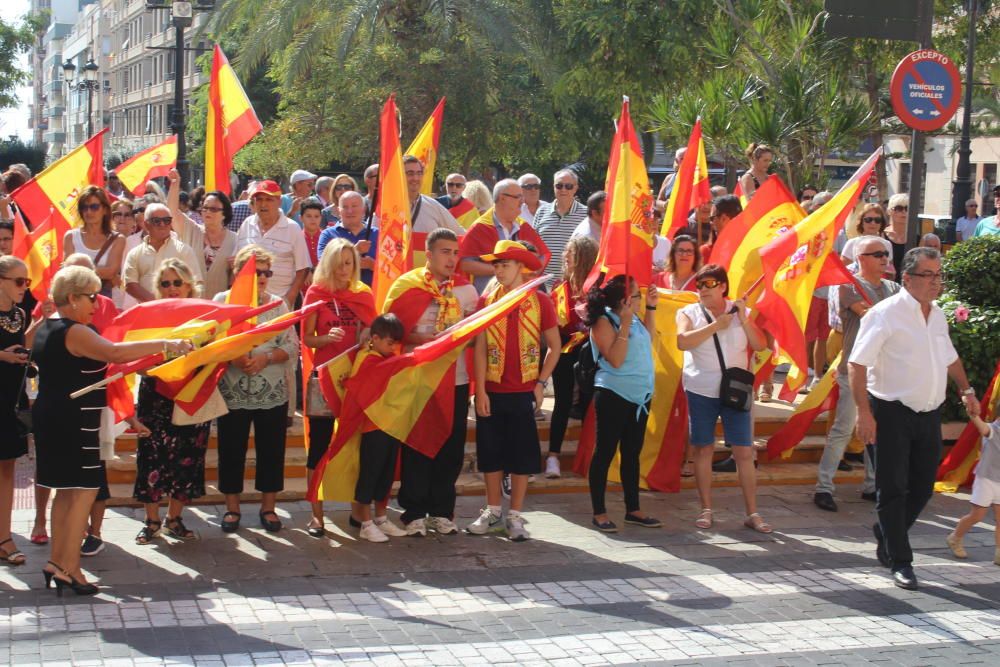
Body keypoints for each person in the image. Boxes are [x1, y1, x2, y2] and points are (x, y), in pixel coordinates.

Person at [34, 265, 190, 595]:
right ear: (73, 298)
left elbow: (112, 362)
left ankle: (56, 561)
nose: (96, 303)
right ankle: (71, 568)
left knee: (65, 492)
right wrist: (168, 343)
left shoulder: (48, 327)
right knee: (84, 492)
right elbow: (114, 352)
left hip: (52, 417)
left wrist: (156, 353)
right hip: (74, 420)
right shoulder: (75, 330)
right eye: (91, 297)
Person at [850, 247, 980, 590]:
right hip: (889, 412)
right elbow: (857, 364)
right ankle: (900, 560)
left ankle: (887, 532)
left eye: (939, 276)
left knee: (923, 485)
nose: (936, 282)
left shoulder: (936, 315)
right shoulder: (884, 314)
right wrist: (864, 413)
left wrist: (967, 392)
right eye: (929, 275)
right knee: (892, 488)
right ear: (907, 279)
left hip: (928, 413)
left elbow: (949, 358)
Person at [383, 228, 478, 535]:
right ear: (430, 253)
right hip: (418, 377)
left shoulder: (467, 291)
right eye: (445, 252)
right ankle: (414, 511)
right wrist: (420, 339)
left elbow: (476, 335)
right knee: (417, 444)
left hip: (456, 378)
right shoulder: (406, 285)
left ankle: (442, 510)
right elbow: (391, 332)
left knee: (451, 446)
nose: (452, 258)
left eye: (455, 252)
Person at [468, 240, 560, 541]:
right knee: (490, 454)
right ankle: (493, 510)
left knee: (522, 456)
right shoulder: (487, 299)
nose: (499, 270)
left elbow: (555, 347)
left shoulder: (540, 300)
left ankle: (516, 515)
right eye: (496, 265)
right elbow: (480, 347)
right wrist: (479, 389)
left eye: (504, 264)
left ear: (520, 267)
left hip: (523, 390)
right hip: (492, 389)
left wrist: (541, 383)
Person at [677, 264, 770, 533]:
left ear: (722, 286)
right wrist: (717, 326)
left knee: (743, 451)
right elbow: (682, 341)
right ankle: (706, 509)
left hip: (735, 391)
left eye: (708, 284)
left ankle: (752, 512)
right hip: (701, 390)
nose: (703, 289)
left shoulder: (742, 311)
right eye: (699, 285)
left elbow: (760, 344)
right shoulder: (689, 312)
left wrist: (744, 319)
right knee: (703, 450)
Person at [213, 245, 298, 534]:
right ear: (238, 273)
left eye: (266, 272)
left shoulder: (278, 305)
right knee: (231, 450)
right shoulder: (222, 302)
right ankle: (232, 508)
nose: (262, 277)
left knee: (272, 451)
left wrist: (265, 357)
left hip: (271, 388)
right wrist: (234, 356)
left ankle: (268, 508)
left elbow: (291, 346)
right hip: (233, 389)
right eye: (256, 271)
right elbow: (211, 345)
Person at [813, 237, 897, 513]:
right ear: (861, 258)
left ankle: (873, 485)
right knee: (844, 427)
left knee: (879, 429)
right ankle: (823, 487)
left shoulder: (892, 288)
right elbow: (871, 316)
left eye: (886, 253)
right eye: (877, 254)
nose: (885, 258)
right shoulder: (848, 286)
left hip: (881, 371)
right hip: (854, 369)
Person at [133, 259, 211, 545]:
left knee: (188, 456)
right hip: (156, 397)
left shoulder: (205, 316)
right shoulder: (149, 316)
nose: (172, 288)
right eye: (165, 283)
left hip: (192, 394)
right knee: (152, 455)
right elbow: (136, 360)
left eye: (177, 282)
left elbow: (212, 353)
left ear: (189, 284)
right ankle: (151, 520)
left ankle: (173, 519)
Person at [301, 238, 376, 537]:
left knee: (356, 444)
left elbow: (375, 331)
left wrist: (368, 334)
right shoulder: (316, 293)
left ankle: (358, 510)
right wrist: (325, 339)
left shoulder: (364, 294)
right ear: (328, 263)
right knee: (319, 445)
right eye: (340, 263)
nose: (345, 269)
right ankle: (316, 515)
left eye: (350, 263)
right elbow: (307, 338)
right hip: (324, 378)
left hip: (355, 378)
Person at [585, 275, 659, 532]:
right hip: (613, 393)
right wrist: (626, 323)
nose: (640, 298)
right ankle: (599, 512)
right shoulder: (604, 321)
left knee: (632, 453)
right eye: (638, 295)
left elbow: (650, 341)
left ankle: (633, 508)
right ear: (626, 300)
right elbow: (616, 359)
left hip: (640, 396)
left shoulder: (635, 317)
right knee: (605, 452)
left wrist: (650, 309)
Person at [343, 314, 410, 542]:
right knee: (369, 476)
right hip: (372, 428)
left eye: (396, 344)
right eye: (390, 343)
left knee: (386, 475)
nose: (394, 348)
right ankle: (365, 522)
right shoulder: (366, 358)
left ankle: (381, 518)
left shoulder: (388, 357)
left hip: (390, 425)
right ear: (375, 338)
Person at [547, 236, 599, 478]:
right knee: (562, 402)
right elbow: (553, 325)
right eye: (566, 254)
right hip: (565, 351)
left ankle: (588, 455)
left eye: (572, 254)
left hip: (593, 352)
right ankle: (553, 457)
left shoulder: (597, 288)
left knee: (591, 403)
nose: (566, 258)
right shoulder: (559, 287)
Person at [0, 256, 34, 566]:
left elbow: (22, 344)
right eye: (19, 281)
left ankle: (4, 536)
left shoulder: (20, 314)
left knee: (7, 468)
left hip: (11, 398)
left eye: (27, 282)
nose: (25, 287)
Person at [459, 179, 550, 293]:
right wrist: (502, 270)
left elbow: (544, 255)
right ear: (502, 198)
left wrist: (530, 273)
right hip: (490, 301)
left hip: (522, 297)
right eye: (518, 197)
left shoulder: (524, 226)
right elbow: (465, 264)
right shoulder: (480, 227)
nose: (523, 201)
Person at [235, 180, 312, 307]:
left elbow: (303, 269)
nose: (263, 204)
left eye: (269, 199)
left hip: (278, 304)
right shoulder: (247, 224)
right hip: (248, 303)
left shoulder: (292, 228)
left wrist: (288, 300)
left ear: (279, 202)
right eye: (259, 199)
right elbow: (236, 263)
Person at [166, 169, 238, 300]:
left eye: (214, 209)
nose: (207, 212)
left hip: (220, 309)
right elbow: (172, 212)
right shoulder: (192, 230)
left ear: (225, 214)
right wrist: (175, 184)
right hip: (192, 305)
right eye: (205, 208)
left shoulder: (235, 240)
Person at [945, 410, 1000, 566]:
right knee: (977, 515)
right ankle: (955, 538)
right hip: (986, 480)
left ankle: (999, 553)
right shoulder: (992, 429)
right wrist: (972, 412)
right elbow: (982, 428)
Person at [122, 202, 203, 303]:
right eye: (157, 221)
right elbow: (130, 285)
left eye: (167, 220)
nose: (162, 224)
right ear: (147, 224)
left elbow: (196, 283)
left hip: (179, 313)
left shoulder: (184, 251)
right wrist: (157, 305)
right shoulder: (134, 254)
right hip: (147, 315)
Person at [64, 186, 126, 298]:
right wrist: (101, 272)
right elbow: (67, 271)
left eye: (94, 207)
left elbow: (111, 271)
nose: (88, 212)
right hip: (75, 299)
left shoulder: (117, 239)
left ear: (105, 210)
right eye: (84, 207)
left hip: (103, 299)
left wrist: (78, 271)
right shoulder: (71, 237)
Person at [532, 169, 588, 282]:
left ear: (576, 188)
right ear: (553, 187)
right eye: (559, 186)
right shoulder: (541, 211)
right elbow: (533, 245)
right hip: (543, 282)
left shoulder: (586, 214)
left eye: (568, 186)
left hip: (572, 283)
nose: (563, 190)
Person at [317, 191, 377, 285]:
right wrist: (354, 251)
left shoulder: (377, 234)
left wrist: (373, 265)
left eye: (354, 206)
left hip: (372, 295)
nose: (350, 211)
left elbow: (393, 268)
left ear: (363, 209)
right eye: (345, 207)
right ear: (338, 211)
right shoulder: (328, 234)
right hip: (338, 294)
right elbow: (323, 266)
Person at [403, 156, 466, 235]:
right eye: (410, 173)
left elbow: (460, 234)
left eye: (419, 173)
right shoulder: (386, 206)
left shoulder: (433, 206)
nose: (415, 178)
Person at [884, 193, 909, 280]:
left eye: (907, 208)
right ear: (889, 211)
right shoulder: (881, 236)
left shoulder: (917, 238)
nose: (904, 212)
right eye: (899, 208)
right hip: (887, 285)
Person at [300, 198, 326, 271]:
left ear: (321, 218)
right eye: (308, 216)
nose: (313, 219)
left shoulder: (326, 237)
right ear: (301, 218)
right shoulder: (297, 238)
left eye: (316, 216)